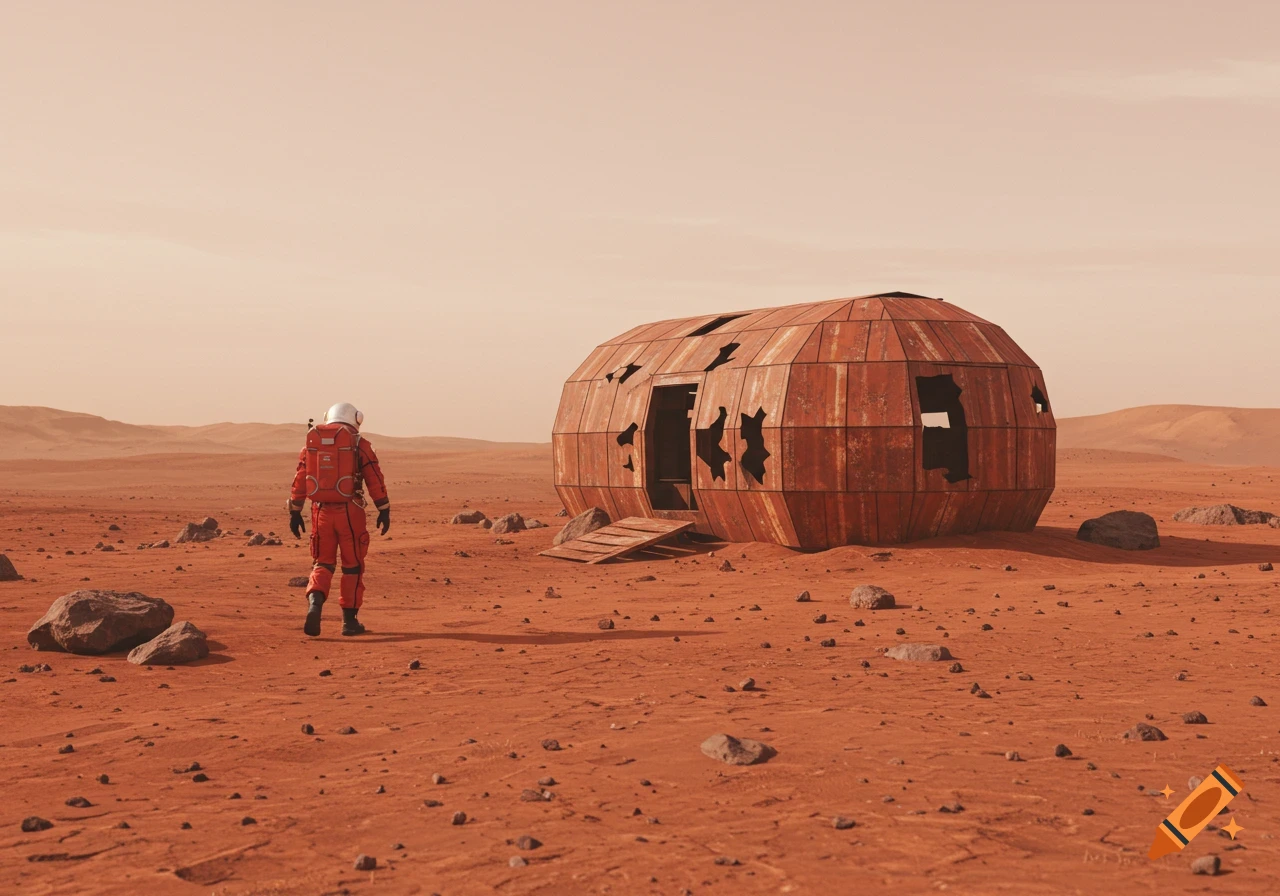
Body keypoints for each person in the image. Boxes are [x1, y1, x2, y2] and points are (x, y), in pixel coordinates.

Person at [287, 402, 390, 636]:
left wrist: (295, 511)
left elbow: (300, 478)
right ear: (357, 419)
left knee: (322, 562)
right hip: (350, 511)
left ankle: (315, 603)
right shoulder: (359, 444)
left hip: (320, 511)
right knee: (352, 566)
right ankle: (349, 621)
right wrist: (384, 507)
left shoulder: (312, 444)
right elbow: (374, 476)